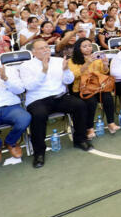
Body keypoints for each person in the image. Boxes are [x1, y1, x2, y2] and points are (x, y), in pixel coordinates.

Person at [19, 39, 91, 168]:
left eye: (47, 47)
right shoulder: (26, 66)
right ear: (33, 52)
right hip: (38, 99)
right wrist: (44, 71)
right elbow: (29, 86)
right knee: (38, 116)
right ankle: (39, 152)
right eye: (41, 48)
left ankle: (80, 139)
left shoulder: (59, 61)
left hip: (60, 96)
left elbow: (68, 81)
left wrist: (66, 70)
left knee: (79, 105)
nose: (46, 49)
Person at [68, 38, 118, 137]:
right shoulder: (72, 61)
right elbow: (74, 76)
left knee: (107, 97)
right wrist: (87, 63)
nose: (88, 48)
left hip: (97, 87)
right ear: (78, 48)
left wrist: (105, 65)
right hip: (81, 88)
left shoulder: (97, 58)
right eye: (84, 46)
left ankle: (111, 123)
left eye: (90, 45)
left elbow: (103, 73)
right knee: (91, 102)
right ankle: (89, 128)